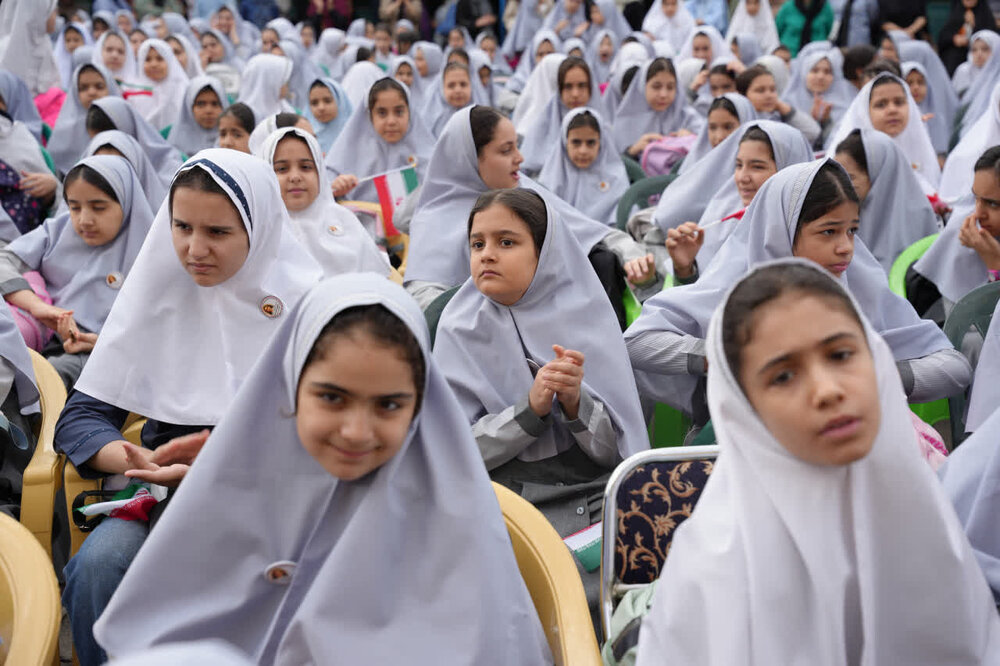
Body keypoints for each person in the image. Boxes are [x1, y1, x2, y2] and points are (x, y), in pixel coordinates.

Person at [91, 272, 552, 664]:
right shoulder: (238, 493)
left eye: (390, 405)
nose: (356, 432)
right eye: (332, 397)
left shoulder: (456, 525)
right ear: (291, 386)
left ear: (420, 407)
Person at [635, 258, 1000, 665]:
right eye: (783, 377)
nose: (827, 390)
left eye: (841, 354)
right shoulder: (717, 574)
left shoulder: (926, 519)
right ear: (744, 408)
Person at [55, 149, 326, 666]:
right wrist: (137, 460)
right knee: (99, 568)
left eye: (218, 232)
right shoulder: (157, 295)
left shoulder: (308, 310)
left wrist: (230, 467)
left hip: (275, 498)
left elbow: (334, 436)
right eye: (181, 227)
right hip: (165, 493)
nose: (194, 249)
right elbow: (81, 417)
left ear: (259, 229)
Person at [434, 188, 648, 613]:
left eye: (506, 242)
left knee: (627, 584)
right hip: (502, 501)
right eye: (477, 244)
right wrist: (528, 412)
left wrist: (574, 403)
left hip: (591, 493)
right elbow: (453, 452)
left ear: (545, 252)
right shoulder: (459, 328)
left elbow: (615, 452)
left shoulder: (585, 316)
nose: (487, 254)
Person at [625, 159, 969, 418]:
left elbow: (954, 368)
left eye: (851, 230)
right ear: (782, 233)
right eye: (828, 232)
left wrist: (876, 373)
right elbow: (637, 342)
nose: (846, 248)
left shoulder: (860, 288)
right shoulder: (734, 293)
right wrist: (724, 356)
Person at [404, 105, 658, 312]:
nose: (520, 158)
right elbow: (427, 302)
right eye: (506, 150)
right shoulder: (435, 218)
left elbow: (592, 233)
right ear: (469, 158)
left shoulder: (522, 191)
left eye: (516, 146)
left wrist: (632, 257)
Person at [0, 156, 154, 389]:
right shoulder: (59, 230)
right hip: (45, 333)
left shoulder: (150, 254)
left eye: (98, 208)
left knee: (50, 377)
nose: (84, 220)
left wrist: (98, 343)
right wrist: (38, 307)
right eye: (74, 207)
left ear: (126, 203)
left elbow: (158, 336)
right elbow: (4, 260)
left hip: (102, 354)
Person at [258, 126, 391, 276]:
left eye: (306, 167)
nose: (295, 177)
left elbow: (374, 279)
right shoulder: (259, 231)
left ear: (320, 172)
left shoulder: (344, 221)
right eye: (282, 169)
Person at [832, 129, 939, 272]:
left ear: (880, 177)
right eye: (837, 177)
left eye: (849, 177)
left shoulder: (920, 218)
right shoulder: (841, 217)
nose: (839, 185)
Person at [326, 77, 434, 203]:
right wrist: (336, 189)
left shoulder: (429, 158)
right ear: (370, 116)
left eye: (399, 112)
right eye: (382, 113)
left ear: (410, 113)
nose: (391, 121)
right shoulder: (346, 156)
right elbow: (323, 192)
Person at [825, 72, 940, 191]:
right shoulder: (849, 156)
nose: (892, 110)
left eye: (899, 102)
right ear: (865, 112)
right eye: (881, 105)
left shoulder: (919, 145)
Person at [915, 146, 1000, 305]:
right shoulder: (968, 238)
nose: (978, 213)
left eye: (993, 204)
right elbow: (964, 319)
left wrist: (996, 263)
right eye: (975, 198)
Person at [537, 108, 628, 226]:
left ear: (601, 143)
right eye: (576, 142)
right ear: (565, 142)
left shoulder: (616, 177)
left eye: (591, 143)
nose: (583, 151)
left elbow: (624, 216)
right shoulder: (552, 178)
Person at [614, 58, 704, 158]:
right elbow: (611, 161)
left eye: (670, 87)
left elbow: (707, 145)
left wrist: (691, 139)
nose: (663, 94)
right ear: (642, 86)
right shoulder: (626, 122)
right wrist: (631, 152)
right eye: (656, 87)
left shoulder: (687, 117)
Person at [83, 130, 169, 210]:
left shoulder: (167, 214)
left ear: (138, 168)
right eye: (101, 168)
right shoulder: (80, 215)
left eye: (121, 168)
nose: (110, 178)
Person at [736, 64, 821, 144]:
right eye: (760, 90)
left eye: (772, 90)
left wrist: (783, 108)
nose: (769, 95)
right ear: (743, 95)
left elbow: (813, 133)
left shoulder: (776, 118)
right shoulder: (737, 123)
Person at [678, 92, 757, 174]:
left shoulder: (759, 172)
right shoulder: (694, 169)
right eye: (712, 128)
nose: (719, 137)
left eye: (728, 127)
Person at [167, 76, 227, 158]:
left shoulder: (234, 143)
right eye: (201, 104)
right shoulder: (174, 150)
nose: (208, 111)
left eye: (215, 104)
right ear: (189, 107)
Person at [938, 0, 998, 76]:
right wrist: (954, 39)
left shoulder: (985, 14)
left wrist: (974, 26)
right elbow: (943, 37)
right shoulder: (956, 13)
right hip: (956, 60)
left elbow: (991, 38)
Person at [238, 53, 294, 120]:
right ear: (270, 82)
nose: (287, 86)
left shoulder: (285, 109)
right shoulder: (242, 117)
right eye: (284, 81)